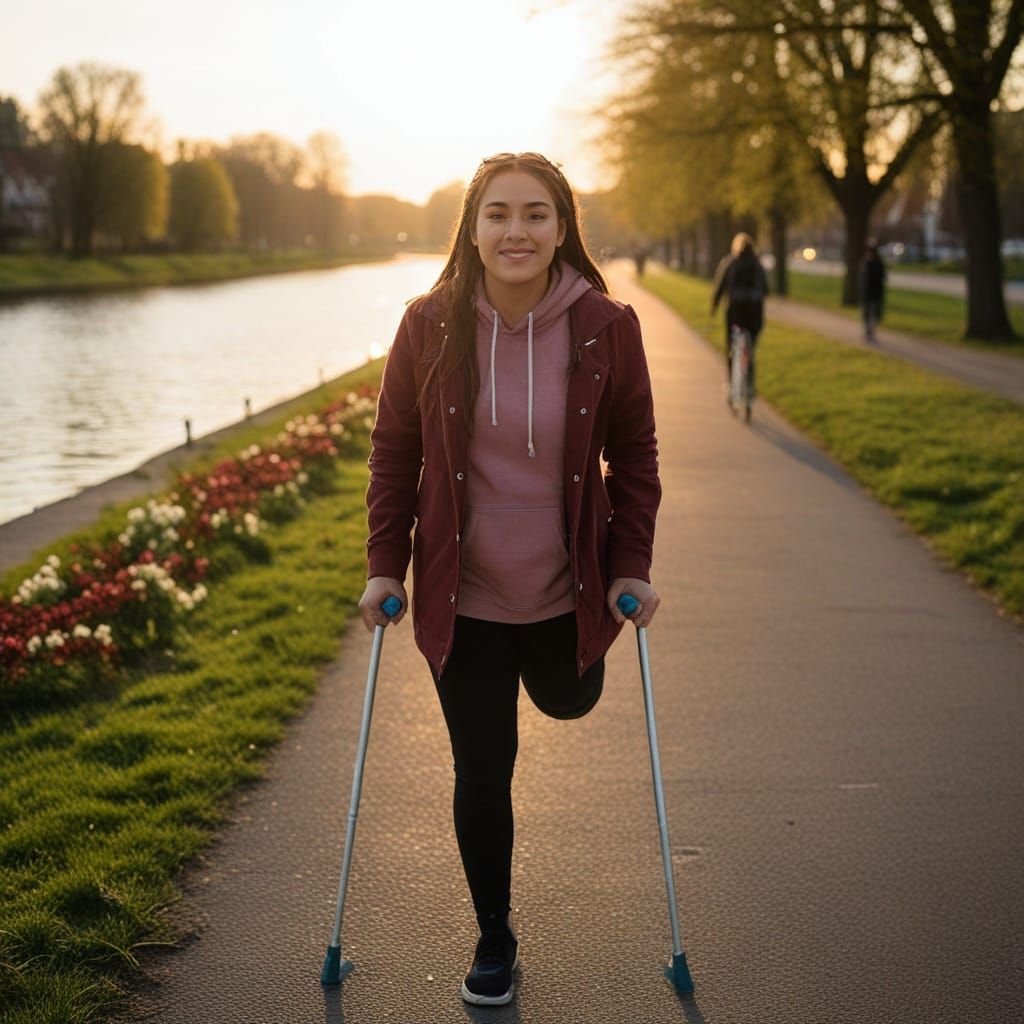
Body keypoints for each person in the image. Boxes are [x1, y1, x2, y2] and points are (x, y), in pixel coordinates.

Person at [357, 152, 661, 1007]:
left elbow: (633, 454)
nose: (515, 231)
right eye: (498, 214)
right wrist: (386, 566)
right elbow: (394, 451)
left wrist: (629, 567)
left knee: (568, 698)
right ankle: (495, 937)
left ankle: (563, 669)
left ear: (562, 228)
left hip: (569, 589)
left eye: (535, 214)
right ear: (473, 227)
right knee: (482, 770)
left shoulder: (607, 324)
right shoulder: (429, 323)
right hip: (468, 596)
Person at [710, 232, 769, 395]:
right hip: (755, 314)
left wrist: (714, 306)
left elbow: (720, 287)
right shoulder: (758, 265)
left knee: (733, 347)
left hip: (735, 313)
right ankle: (749, 384)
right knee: (750, 348)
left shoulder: (730, 262)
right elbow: (766, 290)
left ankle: (732, 384)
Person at [860, 240, 886, 342]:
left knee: (873, 314)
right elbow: (862, 279)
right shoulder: (865, 263)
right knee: (867, 314)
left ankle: (871, 332)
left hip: (875, 293)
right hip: (867, 293)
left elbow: (882, 278)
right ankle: (868, 332)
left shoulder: (877, 264)